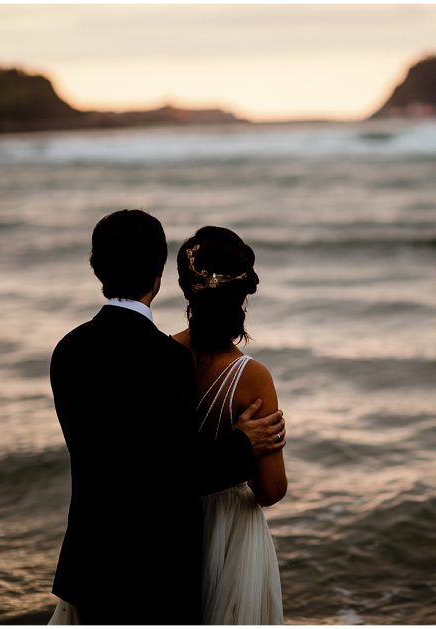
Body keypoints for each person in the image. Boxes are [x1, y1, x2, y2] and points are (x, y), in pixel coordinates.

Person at [48, 210, 286, 625]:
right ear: (159, 274)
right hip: (154, 569)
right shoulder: (166, 361)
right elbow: (171, 471)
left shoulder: (67, 350)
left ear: (96, 268)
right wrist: (245, 443)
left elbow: (117, 457)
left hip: (89, 560)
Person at [171, 226, 287, 624]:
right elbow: (271, 490)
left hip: (168, 524)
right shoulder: (252, 377)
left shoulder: (160, 355)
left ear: (186, 290)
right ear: (243, 294)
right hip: (233, 535)